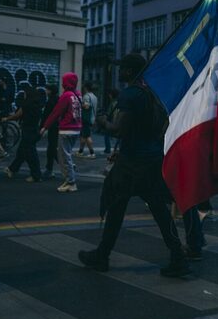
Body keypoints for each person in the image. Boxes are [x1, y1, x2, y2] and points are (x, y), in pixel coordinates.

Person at [78, 53, 190, 277]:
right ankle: (177, 256)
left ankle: (102, 256)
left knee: (116, 207)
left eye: (123, 68)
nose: (120, 72)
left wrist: (101, 120)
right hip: (151, 160)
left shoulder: (130, 95)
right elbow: (164, 124)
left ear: (130, 71)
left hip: (132, 164)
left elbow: (118, 128)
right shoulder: (154, 94)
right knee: (159, 210)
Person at [40, 73, 82, 193]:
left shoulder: (66, 96)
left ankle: (71, 182)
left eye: (64, 81)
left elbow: (55, 113)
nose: (62, 84)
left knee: (64, 156)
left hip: (66, 129)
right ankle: (69, 177)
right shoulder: (77, 95)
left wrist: (45, 127)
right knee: (66, 155)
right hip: (76, 129)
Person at [3, 83, 44, 182]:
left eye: (25, 93)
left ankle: (36, 175)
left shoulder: (27, 104)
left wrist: (6, 118)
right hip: (35, 130)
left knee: (31, 154)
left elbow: (17, 115)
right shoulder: (38, 104)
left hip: (28, 131)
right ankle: (12, 169)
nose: (24, 95)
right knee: (22, 152)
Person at [41, 84, 60, 179]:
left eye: (47, 89)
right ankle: (51, 168)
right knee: (52, 147)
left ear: (50, 91)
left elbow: (46, 115)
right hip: (58, 126)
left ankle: (51, 168)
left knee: (51, 148)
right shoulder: (59, 99)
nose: (45, 91)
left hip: (52, 126)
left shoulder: (50, 101)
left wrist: (43, 126)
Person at [76, 82, 98, 159]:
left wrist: (79, 104)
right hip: (91, 118)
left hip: (86, 119)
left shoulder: (86, 96)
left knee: (87, 136)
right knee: (83, 135)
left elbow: (86, 106)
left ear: (86, 88)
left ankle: (92, 153)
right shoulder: (94, 96)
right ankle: (80, 151)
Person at [102, 88, 119, 154]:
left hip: (112, 122)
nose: (109, 96)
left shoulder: (112, 103)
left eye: (109, 95)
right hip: (118, 121)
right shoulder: (119, 102)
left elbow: (108, 113)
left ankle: (107, 149)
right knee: (118, 137)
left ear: (111, 95)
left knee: (106, 135)